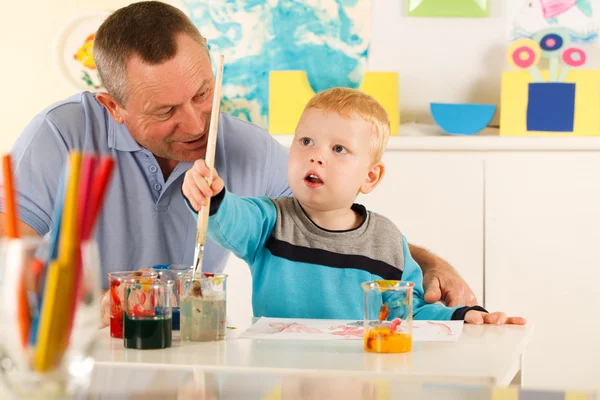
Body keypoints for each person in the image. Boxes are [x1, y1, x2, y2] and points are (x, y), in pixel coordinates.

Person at [1, 1, 476, 323]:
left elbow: (332, 229)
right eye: (165, 112)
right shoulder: (60, 135)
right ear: (113, 107)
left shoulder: (249, 148)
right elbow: (9, 247)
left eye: (203, 93)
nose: (195, 125)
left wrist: (431, 264)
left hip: (192, 356)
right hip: (75, 355)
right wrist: (81, 305)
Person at [182, 88, 526, 325]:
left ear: (370, 177)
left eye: (339, 149)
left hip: (360, 377)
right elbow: (228, 220)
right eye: (306, 141)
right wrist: (212, 197)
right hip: (281, 375)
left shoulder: (387, 241)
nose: (316, 154)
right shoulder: (269, 220)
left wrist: (464, 316)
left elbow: (410, 314)